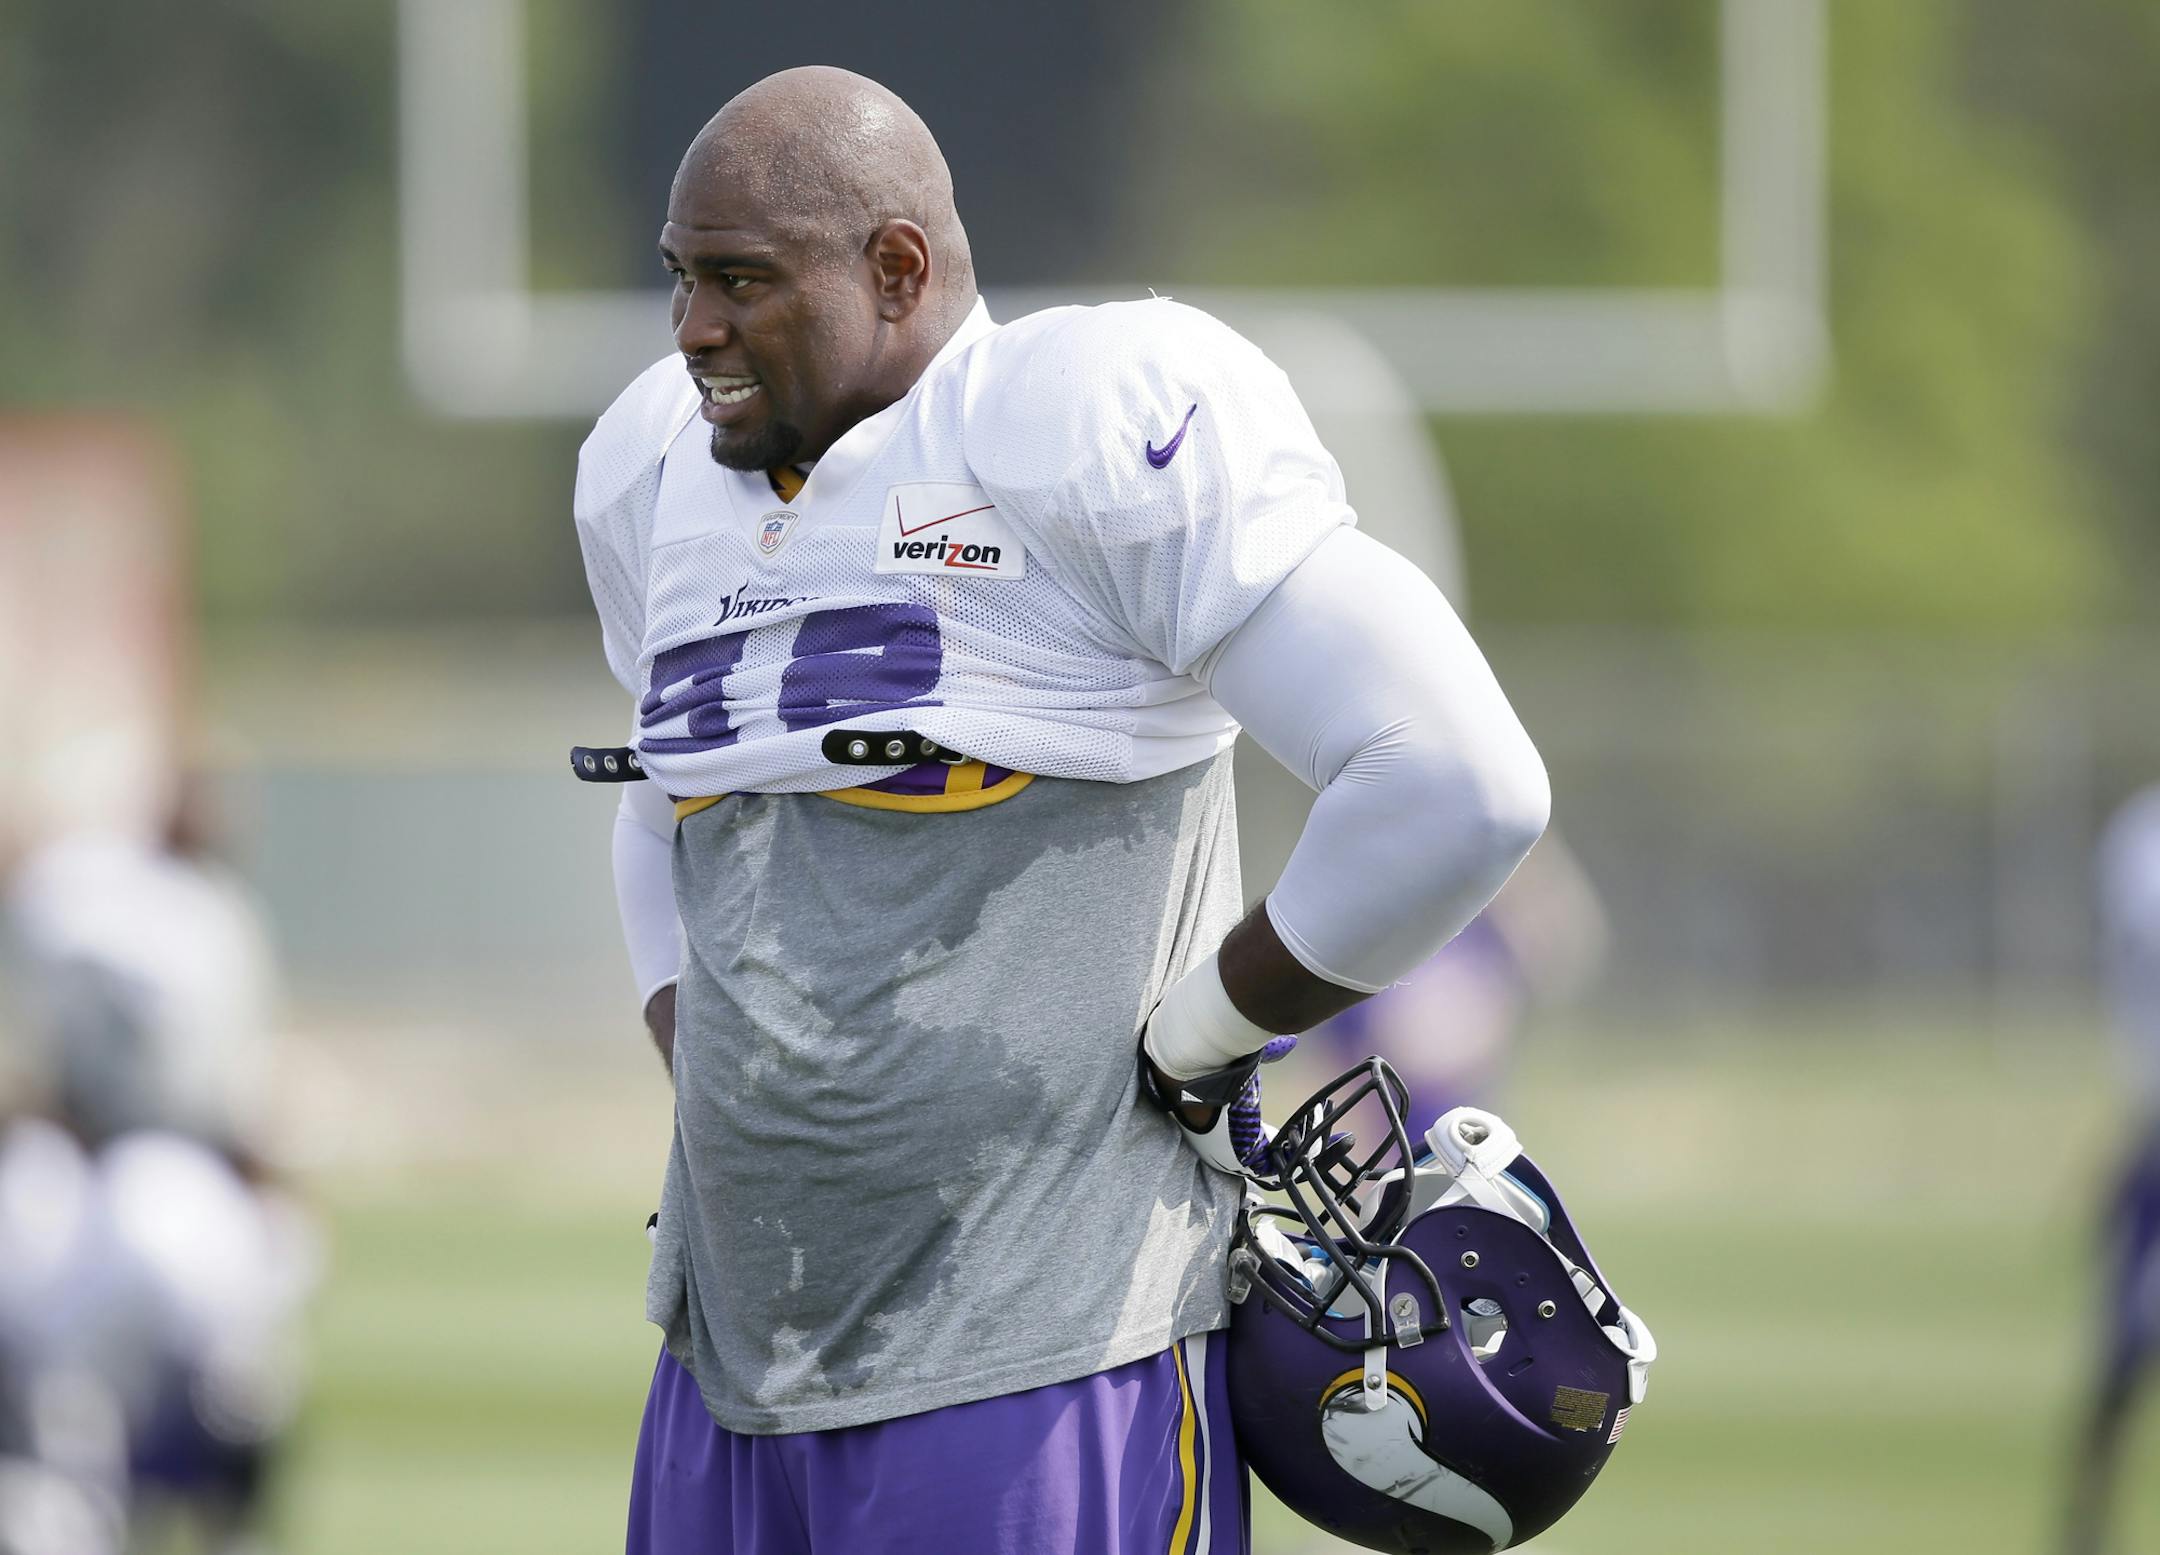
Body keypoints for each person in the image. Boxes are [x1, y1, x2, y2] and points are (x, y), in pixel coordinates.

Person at [575, 66, 1550, 1555]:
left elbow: (1455, 777)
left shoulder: (1071, 421)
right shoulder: (653, 470)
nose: (692, 325)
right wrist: (704, 1073)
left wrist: (1204, 1034)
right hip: (729, 1359)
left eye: (741, 280)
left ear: (898, 269)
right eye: (681, 277)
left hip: (1044, 1355)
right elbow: (666, 812)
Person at [2064, 784, 2160, 1555]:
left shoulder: (2137, 838)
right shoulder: (2140, 838)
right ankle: (2082, 1531)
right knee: (2121, 1351)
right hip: (2154, 1140)